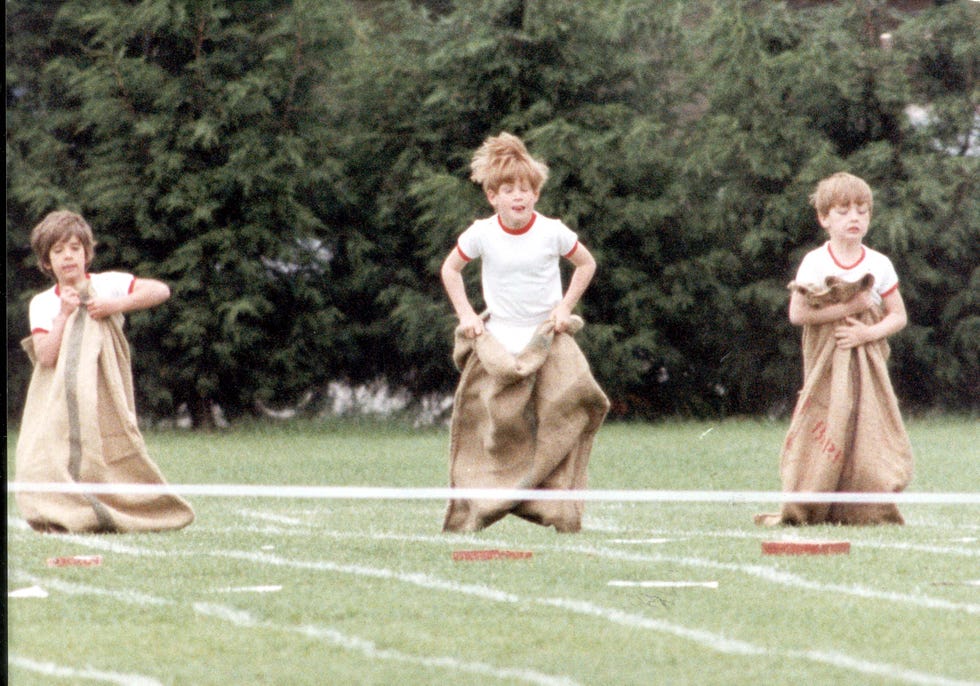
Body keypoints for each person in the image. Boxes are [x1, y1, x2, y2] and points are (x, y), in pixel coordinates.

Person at [439, 133, 609, 533]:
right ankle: (477, 504)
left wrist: (564, 308)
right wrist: (467, 316)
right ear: (493, 196)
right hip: (499, 339)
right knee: (495, 422)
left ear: (536, 194)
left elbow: (586, 264)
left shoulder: (553, 231)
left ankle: (559, 507)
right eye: (509, 189)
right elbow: (450, 270)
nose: (519, 196)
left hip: (546, 336)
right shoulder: (480, 233)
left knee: (575, 400)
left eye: (527, 189)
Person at [15, 210, 194, 533]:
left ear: (86, 253)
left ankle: (126, 510)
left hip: (104, 387)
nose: (67, 256)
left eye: (73, 248)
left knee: (110, 445)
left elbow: (159, 291)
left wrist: (114, 306)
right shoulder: (42, 303)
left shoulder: (107, 283)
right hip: (61, 394)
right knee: (48, 453)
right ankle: (65, 514)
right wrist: (64, 315)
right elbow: (45, 356)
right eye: (57, 251)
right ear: (46, 262)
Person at [756, 172, 914, 526]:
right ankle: (807, 506)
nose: (854, 218)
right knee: (823, 429)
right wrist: (848, 307)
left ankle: (867, 509)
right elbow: (798, 314)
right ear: (824, 218)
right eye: (843, 211)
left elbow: (898, 316)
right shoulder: (815, 262)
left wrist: (866, 333)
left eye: (862, 210)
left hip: (867, 362)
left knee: (868, 432)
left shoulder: (880, 264)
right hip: (825, 365)